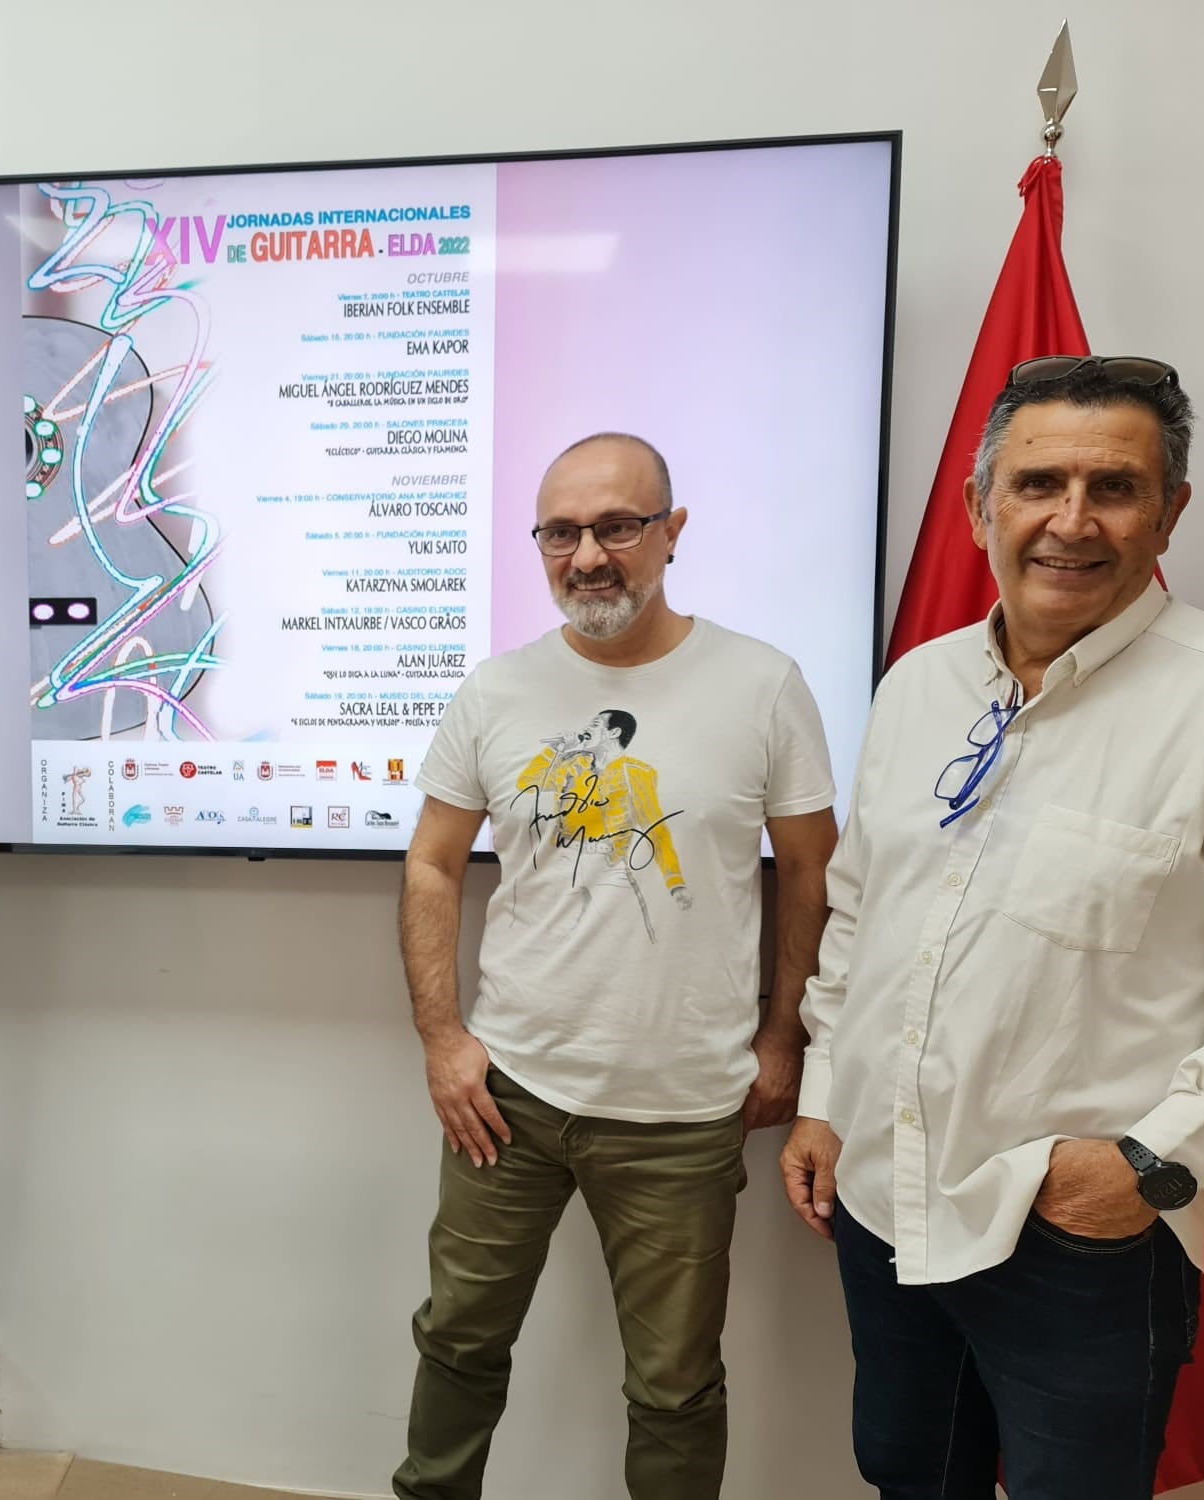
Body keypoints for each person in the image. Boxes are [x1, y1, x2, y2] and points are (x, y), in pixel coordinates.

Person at [782, 356, 1204, 1498]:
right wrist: (822, 1098)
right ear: (977, 504)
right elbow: (860, 917)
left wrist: (1143, 1163)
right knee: (907, 1473)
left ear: (1170, 509)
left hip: (1080, 1237)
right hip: (885, 1201)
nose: (1070, 522)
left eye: (1114, 488)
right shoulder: (915, 684)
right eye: (1037, 482)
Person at [392, 433, 839, 1499]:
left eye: (616, 526)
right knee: (456, 1341)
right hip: (506, 1096)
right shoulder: (495, 692)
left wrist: (783, 1040)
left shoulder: (761, 685)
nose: (587, 555)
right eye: (560, 532)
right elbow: (429, 865)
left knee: (674, 1385)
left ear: (669, 533)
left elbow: (813, 876)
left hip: (682, 1112)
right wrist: (443, 1039)